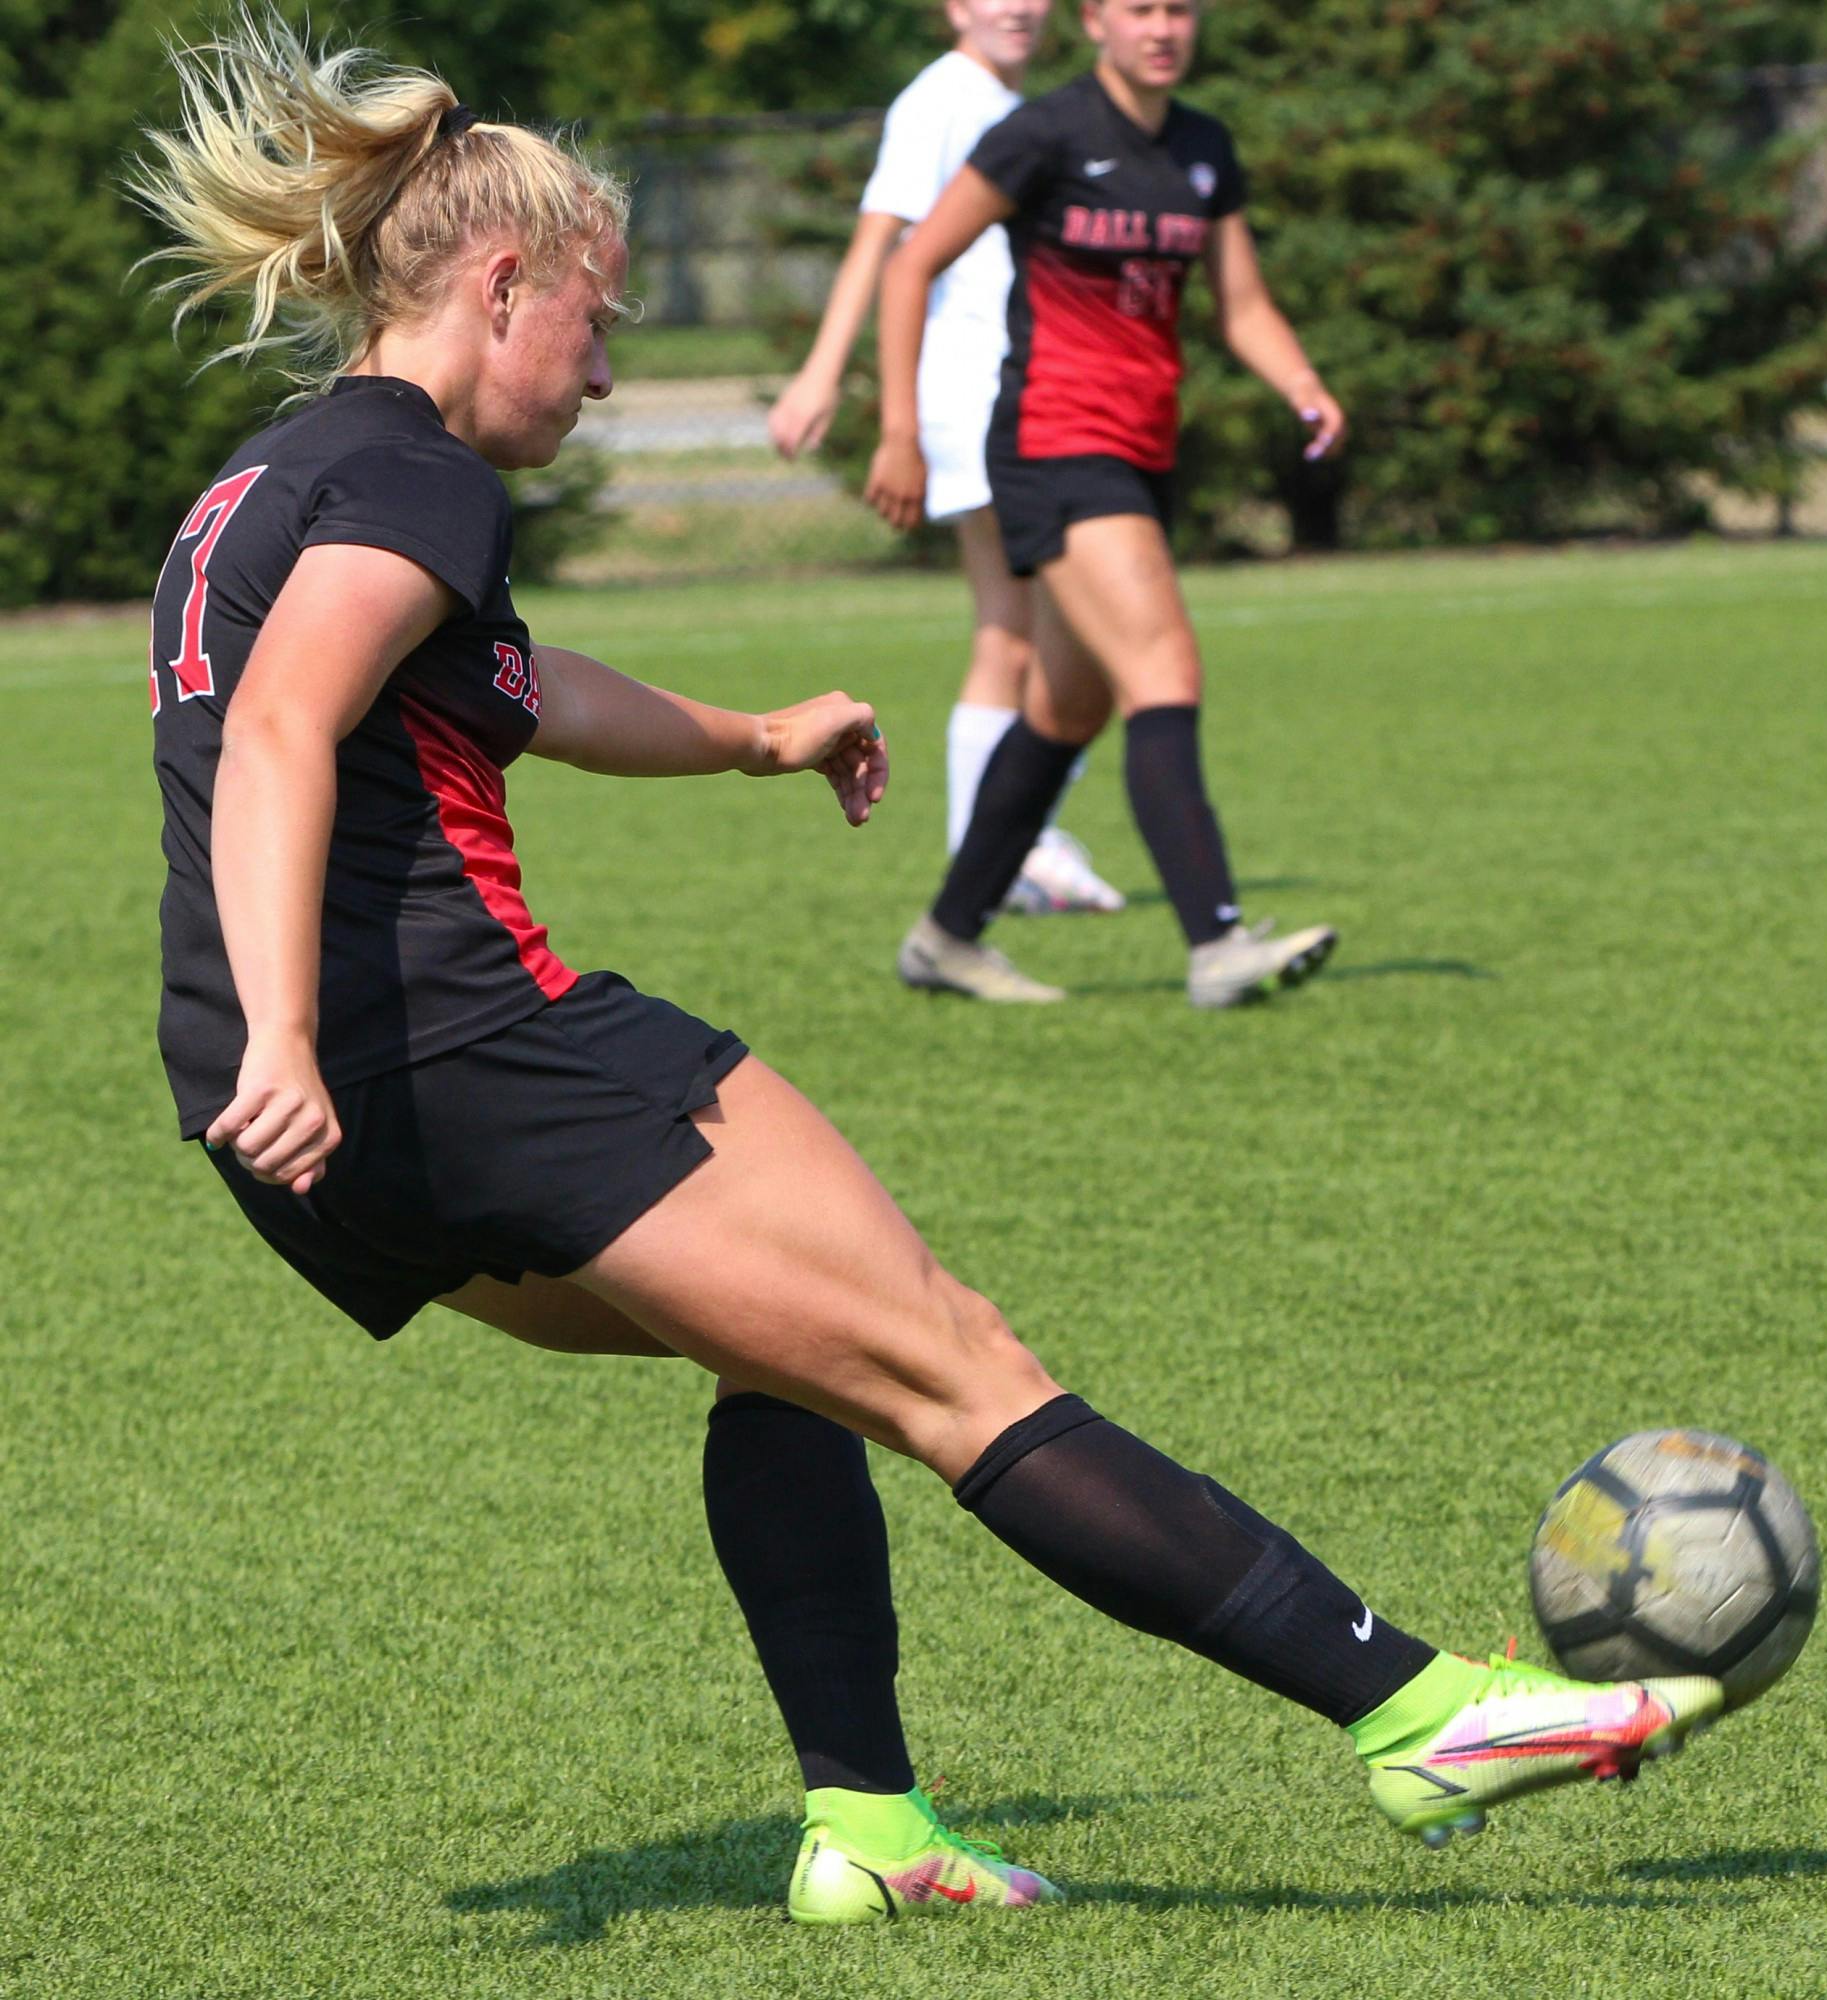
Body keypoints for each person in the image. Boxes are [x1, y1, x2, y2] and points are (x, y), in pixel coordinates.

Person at [134, 16, 1722, 1931]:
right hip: (447, 1046)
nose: (616, 367)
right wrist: (300, 1022)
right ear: (500, 284)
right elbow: (295, 726)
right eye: (600, 318)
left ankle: (872, 1833)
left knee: (781, 1357)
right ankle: (1418, 1709)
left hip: (282, 1112)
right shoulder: (423, 484)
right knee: (954, 1361)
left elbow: (494, 692)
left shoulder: (277, 477)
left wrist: (747, 734)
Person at [868, 0, 1345, 1007]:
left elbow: (1242, 301)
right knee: (1162, 666)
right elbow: (910, 262)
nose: (1164, 27)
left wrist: (1302, 383)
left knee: (1067, 703)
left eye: (1179, 9)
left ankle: (947, 938)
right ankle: (1217, 943)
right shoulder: (1045, 132)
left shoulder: (1204, 148)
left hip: (1140, 453)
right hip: (1053, 445)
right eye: (1141, 9)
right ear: (1096, 21)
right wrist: (900, 430)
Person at [769, 0, 1127, 929]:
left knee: (1040, 634)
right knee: (1028, 636)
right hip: (978, 402)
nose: (1015, 6)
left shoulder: (1011, 103)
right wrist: (826, 376)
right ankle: (1000, 850)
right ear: (952, 7)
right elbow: (878, 248)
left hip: (1027, 393)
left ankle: (1012, 842)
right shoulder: (937, 102)